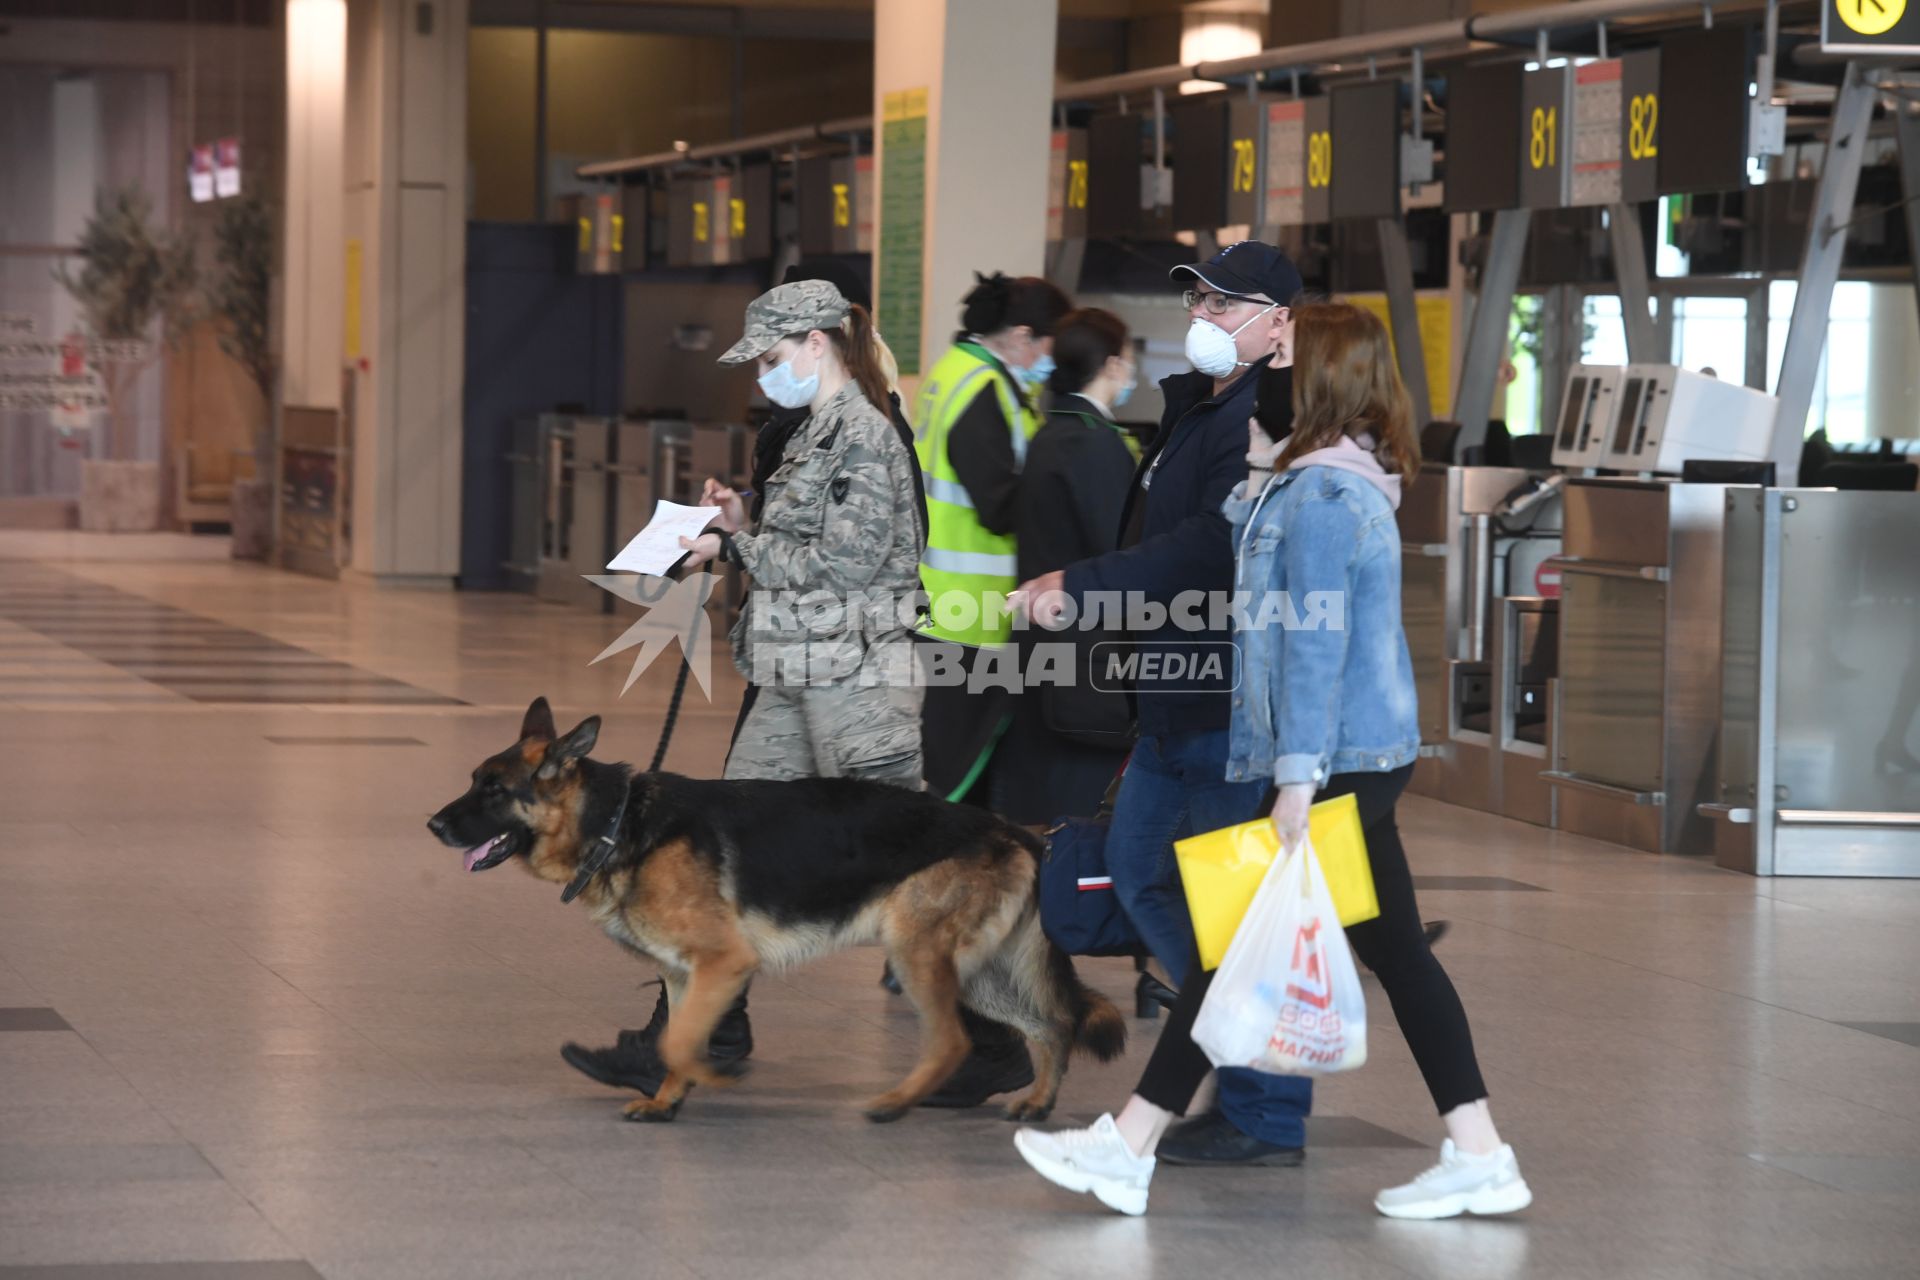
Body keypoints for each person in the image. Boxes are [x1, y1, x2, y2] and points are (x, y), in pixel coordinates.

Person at [1011, 303, 1531, 1221]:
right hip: (1350, 756)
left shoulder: (1328, 498)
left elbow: (1316, 647)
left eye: (1286, 355)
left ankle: (1127, 1144)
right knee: (1396, 957)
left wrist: (1295, 780)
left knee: (1235, 950)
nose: (1270, 369)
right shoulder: (1303, 481)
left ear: (1321, 375)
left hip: (1335, 761)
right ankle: (1480, 1150)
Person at [561, 279, 923, 1097]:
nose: (763, 376)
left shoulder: (863, 433)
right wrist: (742, 514)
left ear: (818, 343)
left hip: (855, 680)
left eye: (771, 357)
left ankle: (999, 1038)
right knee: (728, 851)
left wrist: (734, 546)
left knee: (913, 865)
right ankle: (693, 1035)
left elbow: (841, 565)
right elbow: (803, 529)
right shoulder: (809, 434)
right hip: (793, 673)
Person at [1011, 241, 1311, 1167]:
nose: (1207, 319)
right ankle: (1239, 1060)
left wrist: (1085, 585)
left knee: (1221, 908)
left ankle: (1263, 1108)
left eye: (1230, 305)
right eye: (1202, 301)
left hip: (1228, 709)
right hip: (1172, 699)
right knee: (1143, 877)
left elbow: (1204, 553)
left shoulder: (1267, 423)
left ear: (1282, 326)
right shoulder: (1199, 409)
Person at [915, 273, 1073, 806]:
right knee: (952, 774)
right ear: (1026, 336)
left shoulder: (958, 370)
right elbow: (998, 501)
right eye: (1053, 344)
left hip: (948, 605)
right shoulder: (984, 389)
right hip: (970, 614)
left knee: (946, 764)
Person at [991, 308, 1140, 826]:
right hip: (1085, 656)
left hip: (1038, 640)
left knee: (1035, 794)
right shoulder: (1094, 444)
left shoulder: (1050, 432)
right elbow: (1116, 550)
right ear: (1114, 365)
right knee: (1076, 804)